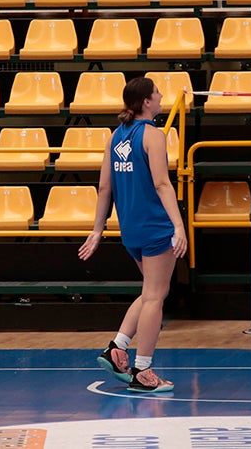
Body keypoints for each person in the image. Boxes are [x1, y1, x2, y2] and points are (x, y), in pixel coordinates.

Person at [79, 76, 188, 393]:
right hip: (154, 225)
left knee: (152, 291)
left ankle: (117, 348)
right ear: (146, 102)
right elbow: (162, 184)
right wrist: (178, 225)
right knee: (156, 297)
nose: (162, 95)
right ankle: (142, 370)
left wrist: (99, 229)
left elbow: (104, 187)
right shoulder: (152, 135)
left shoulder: (115, 136)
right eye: (157, 92)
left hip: (130, 228)